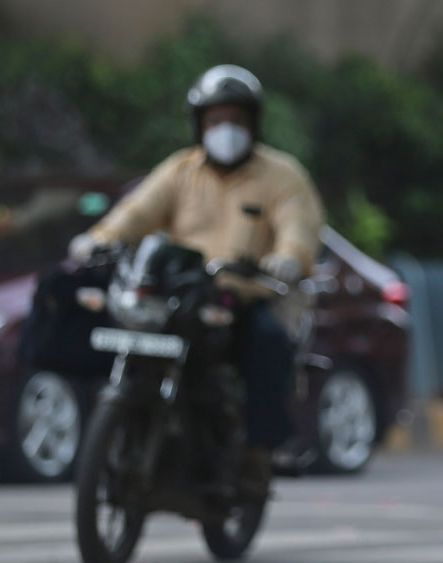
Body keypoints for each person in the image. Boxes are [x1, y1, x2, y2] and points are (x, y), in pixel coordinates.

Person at [68, 64, 325, 492]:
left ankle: (260, 452)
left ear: (254, 123)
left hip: (242, 298)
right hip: (183, 295)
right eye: (216, 120)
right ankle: (144, 421)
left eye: (236, 120)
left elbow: (299, 227)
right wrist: (99, 239)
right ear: (200, 124)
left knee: (269, 344)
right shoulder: (180, 171)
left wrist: (288, 259)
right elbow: (136, 214)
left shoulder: (282, 175)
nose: (226, 130)